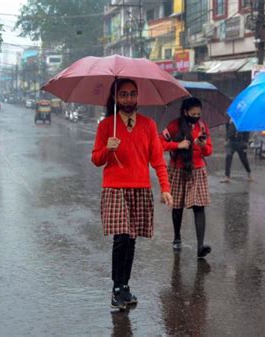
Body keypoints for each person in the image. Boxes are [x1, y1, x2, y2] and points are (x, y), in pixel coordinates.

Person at [91, 78, 173, 310]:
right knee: (122, 237)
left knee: (132, 239)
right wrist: (109, 148)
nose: (128, 99)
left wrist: (165, 188)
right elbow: (96, 159)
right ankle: (116, 288)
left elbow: (157, 160)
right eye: (123, 94)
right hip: (115, 188)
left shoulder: (148, 125)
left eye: (132, 94)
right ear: (115, 98)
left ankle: (125, 286)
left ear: (138, 97)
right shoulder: (107, 126)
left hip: (140, 188)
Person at [160, 97, 213, 258]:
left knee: (199, 206)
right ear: (185, 112)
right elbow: (160, 144)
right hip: (178, 169)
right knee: (177, 206)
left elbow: (209, 151)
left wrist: (202, 145)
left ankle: (200, 246)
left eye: (199, 114)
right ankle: (177, 236)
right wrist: (178, 145)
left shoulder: (202, 127)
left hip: (197, 170)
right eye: (193, 113)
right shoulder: (174, 126)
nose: (196, 116)